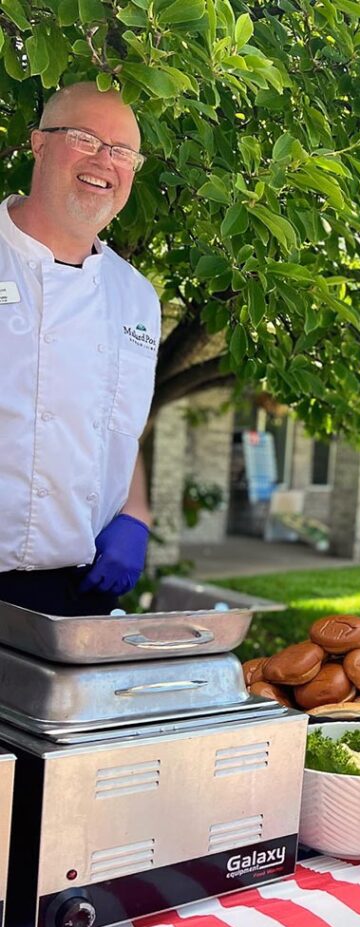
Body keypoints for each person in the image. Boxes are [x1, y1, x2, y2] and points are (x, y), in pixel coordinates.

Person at [0, 81, 159, 616]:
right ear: (38, 144)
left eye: (121, 151)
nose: (104, 161)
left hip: (78, 590)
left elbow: (110, 422)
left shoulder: (136, 296)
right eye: (85, 138)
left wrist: (136, 514)